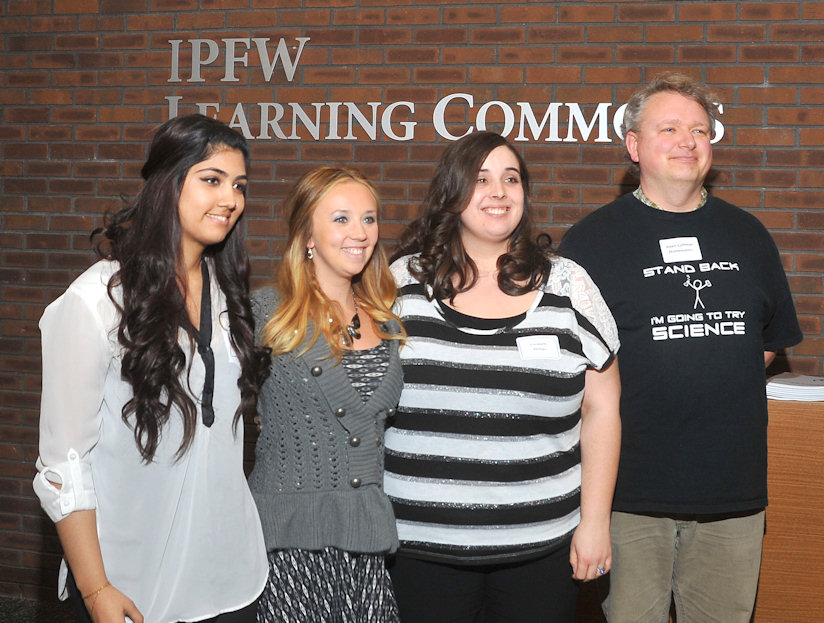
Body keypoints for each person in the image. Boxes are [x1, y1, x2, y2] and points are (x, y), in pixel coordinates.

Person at [558, 73, 804, 623]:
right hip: (626, 497)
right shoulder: (589, 242)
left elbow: (764, 346)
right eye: (668, 128)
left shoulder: (749, 235)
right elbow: (572, 363)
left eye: (698, 130)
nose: (687, 141)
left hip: (731, 496)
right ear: (634, 145)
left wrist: (698, 362)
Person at [33, 114, 269, 623]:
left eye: (239, 185)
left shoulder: (230, 297)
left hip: (232, 581)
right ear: (167, 184)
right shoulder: (97, 301)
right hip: (128, 587)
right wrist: (96, 591)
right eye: (212, 180)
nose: (230, 198)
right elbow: (63, 465)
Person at [384, 131, 622, 623]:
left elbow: (603, 409)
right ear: (451, 193)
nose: (498, 191)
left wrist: (595, 522)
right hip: (419, 547)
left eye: (510, 179)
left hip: (540, 549)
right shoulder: (400, 283)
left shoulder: (568, 285)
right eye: (480, 179)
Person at [248, 166, 406, 623]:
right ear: (307, 235)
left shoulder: (390, 322)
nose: (359, 232)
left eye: (369, 219)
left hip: (365, 547)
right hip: (287, 548)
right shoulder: (265, 313)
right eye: (341, 219)